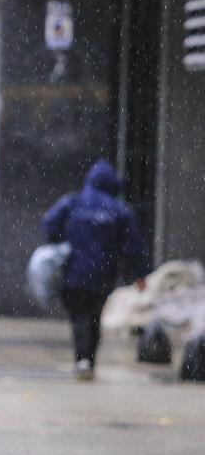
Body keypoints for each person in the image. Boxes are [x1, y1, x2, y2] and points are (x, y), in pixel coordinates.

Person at [42, 159, 150, 381]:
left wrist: (63, 239)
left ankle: (83, 360)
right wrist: (139, 274)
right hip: (102, 275)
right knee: (93, 316)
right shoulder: (120, 210)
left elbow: (49, 225)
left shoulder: (72, 202)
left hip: (73, 273)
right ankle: (88, 360)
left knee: (79, 317)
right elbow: (133, 245)